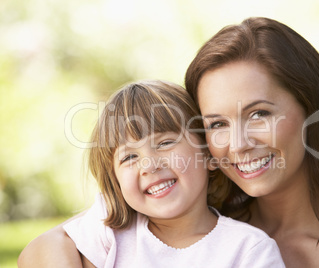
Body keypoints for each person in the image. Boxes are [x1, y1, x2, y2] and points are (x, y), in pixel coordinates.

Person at [18, 17, 319, 268]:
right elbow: (41, 251)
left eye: (258, 114)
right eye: (217, 123)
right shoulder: (178, 206)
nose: (237, 145)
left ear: (313, 112)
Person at [20, 80, 284, 268]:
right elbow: (36, 254)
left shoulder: (248, 249)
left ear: (208, 153)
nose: (149, 165)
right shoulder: (108, 231)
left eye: (165, 143)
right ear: (116, 182)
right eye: (129, 157)